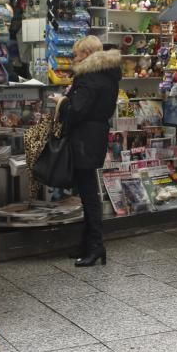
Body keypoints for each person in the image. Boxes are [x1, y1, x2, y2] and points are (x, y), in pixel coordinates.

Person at [60, 36, 121, 267]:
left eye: (76, 55)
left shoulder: (88, 77)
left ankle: (95, 245)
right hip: (96, 135)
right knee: (88, 190)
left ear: (85, 55)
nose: (74, 59)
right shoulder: (108, 74)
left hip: (84, 137)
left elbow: (77, 109)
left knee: (88, 193)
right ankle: (88, 243)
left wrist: (63, 101)